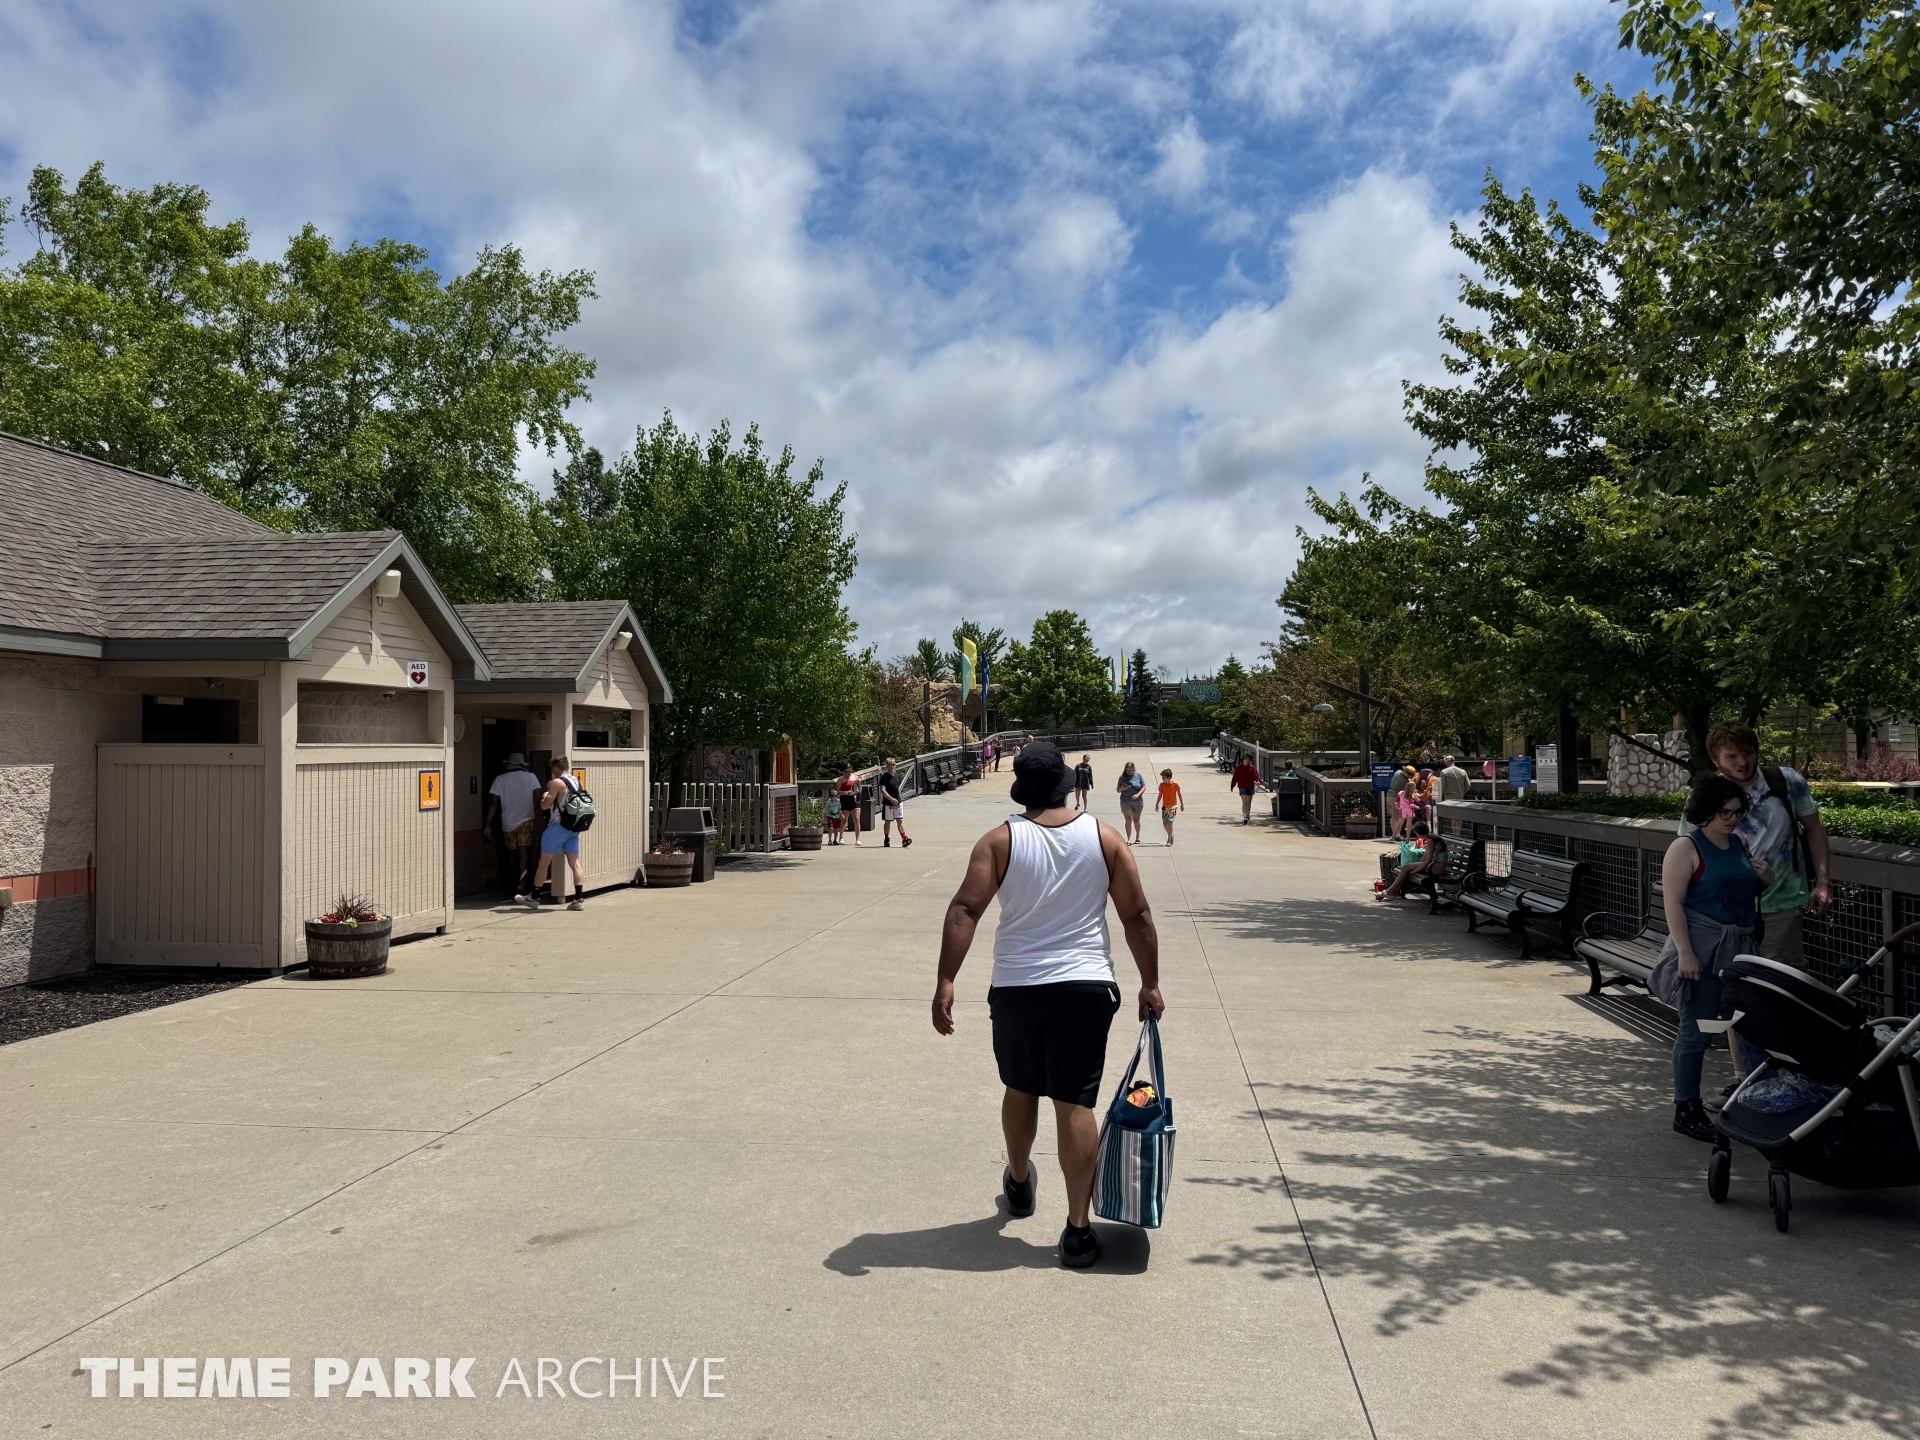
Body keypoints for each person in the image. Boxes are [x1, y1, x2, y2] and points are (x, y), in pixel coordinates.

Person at [930, 740, 1165, 1270]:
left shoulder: (999, 841)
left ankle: (1018, 1182)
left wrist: (946, 980)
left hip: (1018, 986)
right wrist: (1150, 983)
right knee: (1074, 1102)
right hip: (1086, 987)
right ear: (1064, 783)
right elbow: (1138, 915)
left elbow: (965, 909)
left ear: (1023, 789)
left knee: (1020, 1086)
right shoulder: (1105, 837)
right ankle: (1078, 1231)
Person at [1663, 774, 1767, 1141]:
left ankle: (1755, 1101)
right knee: (1697, 1030)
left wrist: (1766, 878)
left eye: (1738, 812)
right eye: (1725, 812)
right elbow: (1673, 903)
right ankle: (1686, 1107)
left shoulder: (1739, 843)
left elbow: (1743, 891)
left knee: (1750, 1025)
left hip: (1741, 949)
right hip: (1704, 950)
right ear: (1706, 812)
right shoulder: (1685, 847)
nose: (1733, 819)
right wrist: (1685, 953)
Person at [1683, 721, 1832, 970]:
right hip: (1722, 912)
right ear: (1715, 760)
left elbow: (1815, 829)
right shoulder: (1704, 794)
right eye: (1731, 756)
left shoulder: (1787, 782)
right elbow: (1687, 849)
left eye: (1748, 752)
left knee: (1778, 982)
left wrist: (1823, 882)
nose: (1742, 762)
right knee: (1730, 982)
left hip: (1780, 907)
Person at [527, 756, 587, 911]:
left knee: (544, 862)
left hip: (558, 826)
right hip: (573, 827)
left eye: (551, 769)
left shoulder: (557, 783)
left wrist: (545, 796)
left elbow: (545, 806)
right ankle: (578, 899)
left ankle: (534, 897)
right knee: (575, 862)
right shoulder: (577, 781)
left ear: (554, 768)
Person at [482, 751, 544, 902]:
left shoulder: (500, 779)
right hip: (526, 820)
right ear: (522, 764)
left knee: (512, 853)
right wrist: (531, 810)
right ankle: (522, 884)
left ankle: (514, 881)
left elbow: (494, 803)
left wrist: (488, 824)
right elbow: (538, 795)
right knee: (524, 853)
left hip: (507, 822)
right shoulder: (531, 777)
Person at [1375, 822, 1448, 900]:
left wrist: (1415, 870)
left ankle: (1390, 891)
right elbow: (1424, 858)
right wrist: (1415, 867)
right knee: (1406, 869)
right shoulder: (1432, 839)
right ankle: (1396, 893)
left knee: (1406, 868)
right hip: (1436, 866)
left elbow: (1428, 861)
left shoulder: (1430, 841)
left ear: (1418, 833)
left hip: (1435, 868)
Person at [879, 759, 913, 848]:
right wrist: (891, 799)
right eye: (891, 765)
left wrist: (897, 799)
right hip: (888, 803)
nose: (893, 767)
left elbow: (897, 789)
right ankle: (886, 838)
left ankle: (904, 838)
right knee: (888, 821)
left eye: (894, 765)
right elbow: (883, 790)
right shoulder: (884, 777)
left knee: (900, 820)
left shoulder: (897, 776)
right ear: (888, 766)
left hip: (898, 802)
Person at [1116, 762, 1146, 843]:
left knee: (1136, 820)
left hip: (1137, 801)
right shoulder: (1122, 777)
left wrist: (1138, 795)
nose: (1128, 772)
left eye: (1130, 770)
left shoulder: (1138, 775)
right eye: (1127, 770)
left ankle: (1137, 836)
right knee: (1128, 819)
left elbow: (1143, 787)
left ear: (1133, 769)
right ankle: (1129, 839)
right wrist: (1122, 789)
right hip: (1125, 800)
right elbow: (1117, 790)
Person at [836, 764, 863, 848]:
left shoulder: (855, 778)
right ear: (844, 771)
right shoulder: (840, 779)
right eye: (846, 771)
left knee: (857, 819)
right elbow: (837, 791)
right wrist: (845, 792)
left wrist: (855, 792)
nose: (848, 773)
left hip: (854, 799)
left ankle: (857, 839)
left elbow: (859, 789)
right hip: (845, 800)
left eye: (850, 771)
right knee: (844, 820)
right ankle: (841, 837)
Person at [1230, 753, 1261, 824]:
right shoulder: (1239, 768)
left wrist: (1258, 781)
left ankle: (1248, 814)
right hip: (1242, 787)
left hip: (1250, 786)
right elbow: (1235, 777)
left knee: (1249, 802)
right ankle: (1245, 816)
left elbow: (1256, 776)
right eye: (1246, 759)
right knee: (1244, 802)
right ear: (1243, 759)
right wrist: (1232, 786)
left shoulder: (1252, 768)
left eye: (1248, 759)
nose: (1247, 760)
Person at [1156, 768, 1183, 845]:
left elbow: (1179, 794)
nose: (1162, 779)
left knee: (1170, 821)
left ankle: (1169, 841)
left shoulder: (1175, 785)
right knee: (1165, 824)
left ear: (1169, 777)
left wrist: (1182, 804)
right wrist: (1157, 804)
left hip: (1172, 806)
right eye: (1162, 777)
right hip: (1165, 806)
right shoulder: (1162, 785)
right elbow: (1160, 795)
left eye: (1164, 777)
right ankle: (1171, 835)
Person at [1393, 765, 1418, 839]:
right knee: (1409, 825)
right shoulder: (1412, 795)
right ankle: (1408, 837)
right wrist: (1415, 806)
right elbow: (1411, 803)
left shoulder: (1401, 793)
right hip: (1409, 811)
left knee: (1399, 824)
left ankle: (1393, 837)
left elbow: (1396, 801)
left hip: (1402, 810)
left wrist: (1397, 807)